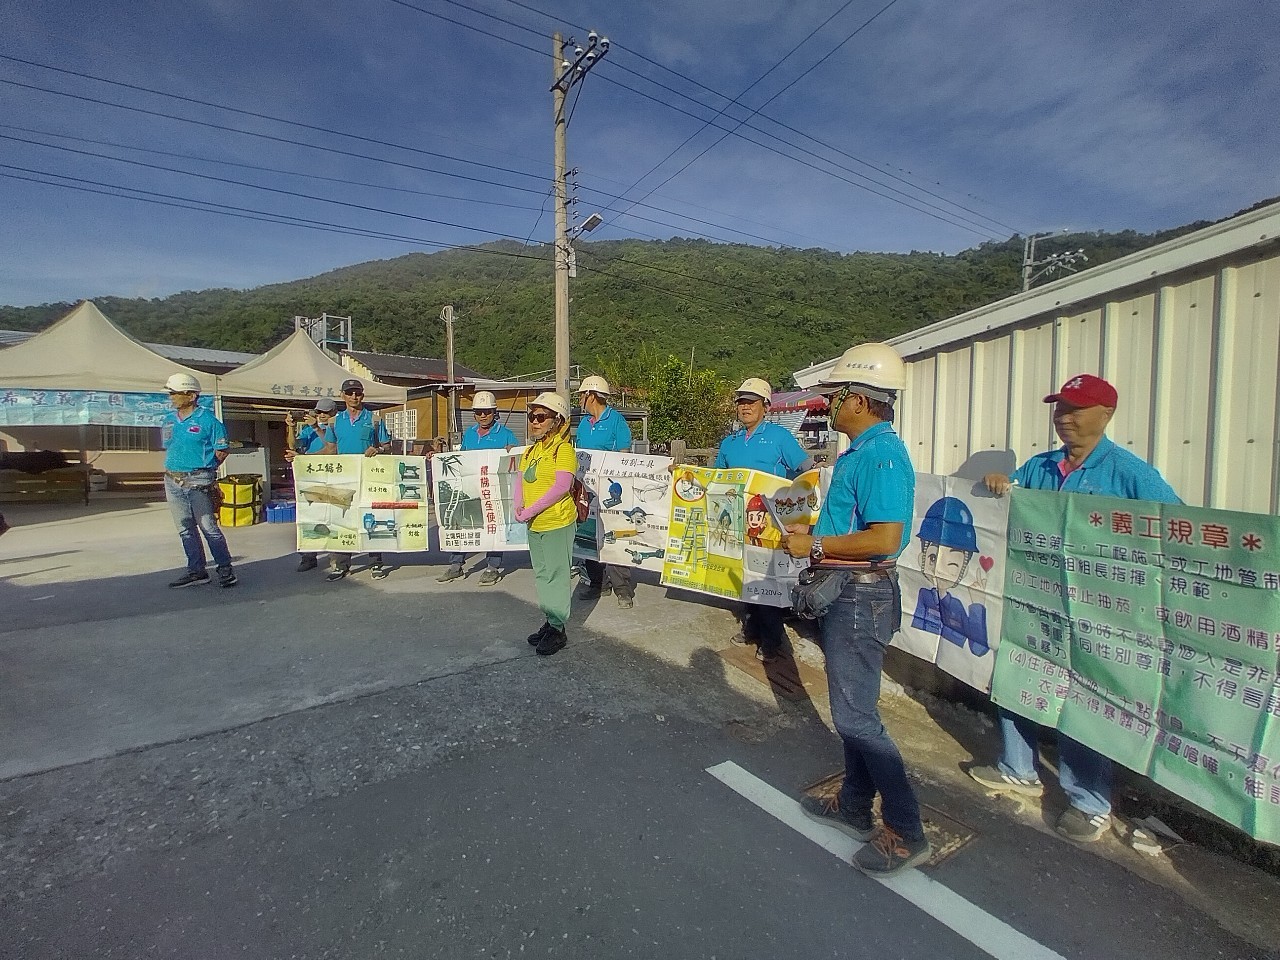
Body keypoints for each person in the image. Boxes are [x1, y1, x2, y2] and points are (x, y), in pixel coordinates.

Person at [969, 373, 1181, 843]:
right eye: (1060, 408)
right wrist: (999, 485)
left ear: (1106, 415)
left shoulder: (1130, 474)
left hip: (1099, 613)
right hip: (1037, 602)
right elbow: (1011, 506)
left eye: (1076, 409)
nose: (1064, 418)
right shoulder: (1040, 467)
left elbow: (1174, 527)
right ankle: (1018, 769)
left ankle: (1090, 802)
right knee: (1018, 677)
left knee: (1084, 703)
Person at [781, 343, 930, 876]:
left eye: (836, 395)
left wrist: (816, 547)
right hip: (851, 592)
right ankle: (852, 806)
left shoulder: (881, 456)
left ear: (862, 400)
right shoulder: (862, 452)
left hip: (861, 596)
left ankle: (907, 830)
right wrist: (815, 537)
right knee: (852, 708)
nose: (828, 404)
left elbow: (886, 538)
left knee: (856, 717)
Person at [716, 377, 814, 661]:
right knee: (744, 577)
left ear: (766, 407)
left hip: (770, 524)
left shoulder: (779, 437)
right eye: (741, 402)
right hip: (737, 522)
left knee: (767, 581)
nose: (745, 407)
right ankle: (751, 628)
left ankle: (772, 641)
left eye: (751, 402)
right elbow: (717, 478)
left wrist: (800, 511)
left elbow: (807, 471)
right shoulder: (729, 442)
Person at [160, 372, 237, 589]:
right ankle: (197, 571)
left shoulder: (208, 421)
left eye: (175, 393)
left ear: (191, 395)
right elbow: (169, 446)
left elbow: (222, 450)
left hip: (198, 481)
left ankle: (225, 568)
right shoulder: (169, 420)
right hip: (172, 479)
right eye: (170, 393)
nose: (171, 397)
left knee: (208, 527)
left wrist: (206, 471)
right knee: (185, 528)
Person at [516, 392, 578, 656]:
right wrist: (518, 505)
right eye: (532, 416)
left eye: (541, 417)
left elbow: (562, 486)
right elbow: (520, 479)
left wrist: (530, 510)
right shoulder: (531, 451)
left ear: (557, 420)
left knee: (557, 575)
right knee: (542, 574)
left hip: (557, 522)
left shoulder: (563, 450)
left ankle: (558, 629)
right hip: (535, 524)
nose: (535, 421)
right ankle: (551, 620)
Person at [438, 391, 519, 585]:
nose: (483, 416)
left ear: (494, 412)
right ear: (474, 414)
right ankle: (456, 565)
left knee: (494, 526)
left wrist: (512, 452)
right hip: (471, 490)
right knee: (462, 523)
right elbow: (461, 460)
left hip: (494, 491)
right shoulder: (469, 434)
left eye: (487, 412)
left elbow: (516, 462)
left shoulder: (507, 435)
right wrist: (438, 457)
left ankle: (492, 567)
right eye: (479, 412)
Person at [574, 375, 636, 608]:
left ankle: (623, 589)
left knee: (614, 536)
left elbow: (624, 455)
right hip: (588, 490)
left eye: (582, 395)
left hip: (611, 490)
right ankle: (597, 583)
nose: (580, 399)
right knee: (590, 534)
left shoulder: (616, 420)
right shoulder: (583, 423)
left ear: (590, 395)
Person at [326, 378, 391, 582]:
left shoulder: (374, 419)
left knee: (371, 518)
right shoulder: (335, 421)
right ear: (342, 395)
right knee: (343, 519)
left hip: (369, 477)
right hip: (344, 478)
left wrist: (378, 449)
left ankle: (376, 562)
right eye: (349, 393)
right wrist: (302, 459)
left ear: (363, 395)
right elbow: (330, 449)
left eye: (358, 393)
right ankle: (341, 565)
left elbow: (387, 445)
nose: (354, 396)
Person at [285, 397, 338, 572]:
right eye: (319, 412)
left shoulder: (336, 427)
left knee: (333, 516)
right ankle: (308, 556)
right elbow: (293, 445)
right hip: (311, 476)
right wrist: (291, 427)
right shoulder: (308, 429)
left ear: (334, 412)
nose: (322, 415)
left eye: (326, 412)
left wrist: (316, 427)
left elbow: (331, 448)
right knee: (309, 516)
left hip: (332, 475)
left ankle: (335, 556)